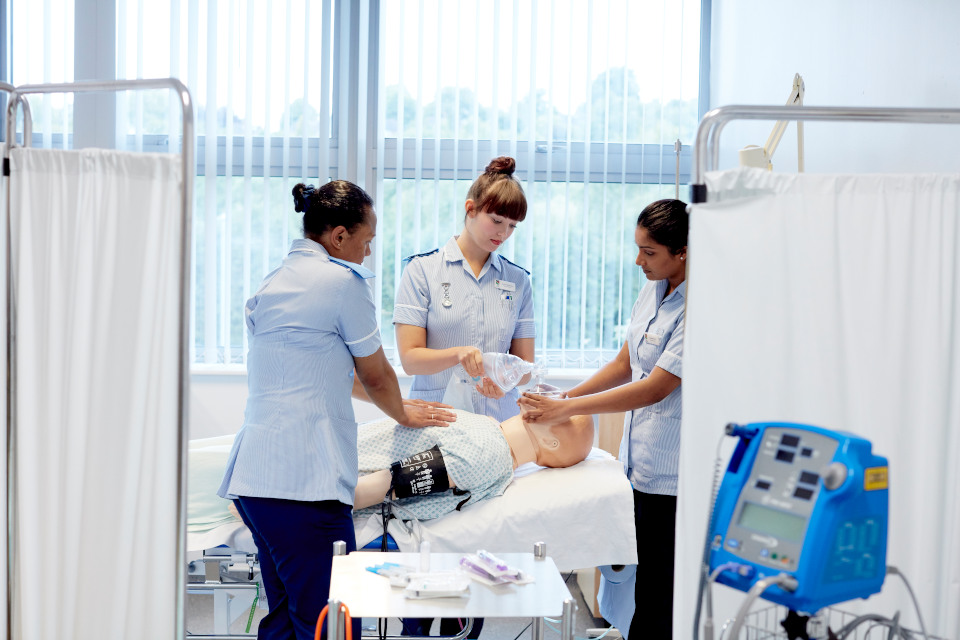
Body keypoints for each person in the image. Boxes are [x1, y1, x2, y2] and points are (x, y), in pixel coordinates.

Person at [217, 180, 455, 640]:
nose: (368, 254)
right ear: (339, 236)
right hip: (302, 485)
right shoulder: (342, 283)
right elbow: (377, 375)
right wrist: (403, 414)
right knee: (330, 620)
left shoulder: (274, 282)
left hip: (256, 483)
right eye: (366, 242)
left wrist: (399, 403)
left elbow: (328, 375)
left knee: (288, 615)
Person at [519, 198, 688, 639]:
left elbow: (656, 387)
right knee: (636, 585)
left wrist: (568, 409)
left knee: (659, 593)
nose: (638, 261)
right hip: (636, 464)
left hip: (670, 474)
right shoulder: (654, 288)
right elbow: (626, 361)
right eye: (638, 249)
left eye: (649, 252)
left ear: (683, 252)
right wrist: (563, 397)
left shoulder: (698, 308)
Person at [393, 156, 535, 421]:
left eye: (512, 226)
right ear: (471, 208)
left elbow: (525, 368)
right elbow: (410, 360)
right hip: (436, 420)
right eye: (496, 221)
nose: (503, 234)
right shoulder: (422, 270)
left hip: (498, 422)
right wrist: (458, 354)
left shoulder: (518, 280)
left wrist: (505, 381)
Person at [353, 409, 595, 516]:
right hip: (329, 459)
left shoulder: (484, 454)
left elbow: (362, 491)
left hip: (327, 479)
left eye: (558, 407)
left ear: (551, 442)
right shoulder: (489, 432)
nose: (545, 396)